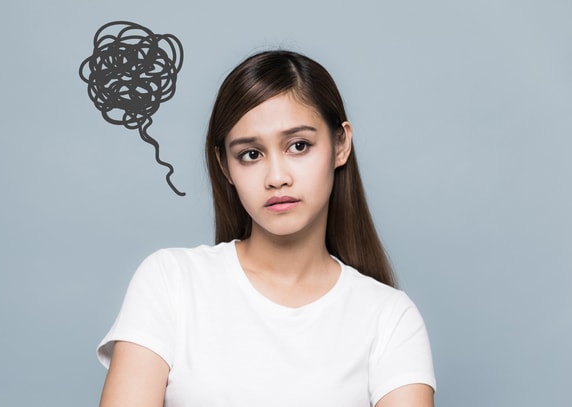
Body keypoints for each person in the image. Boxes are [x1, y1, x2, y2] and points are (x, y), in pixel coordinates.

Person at [97, 50, 436, 406]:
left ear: (341, 145)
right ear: (225, 166)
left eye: (299, 146)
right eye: (251, 154)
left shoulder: (390, 319)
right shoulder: (171, 282)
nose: (277, 178)